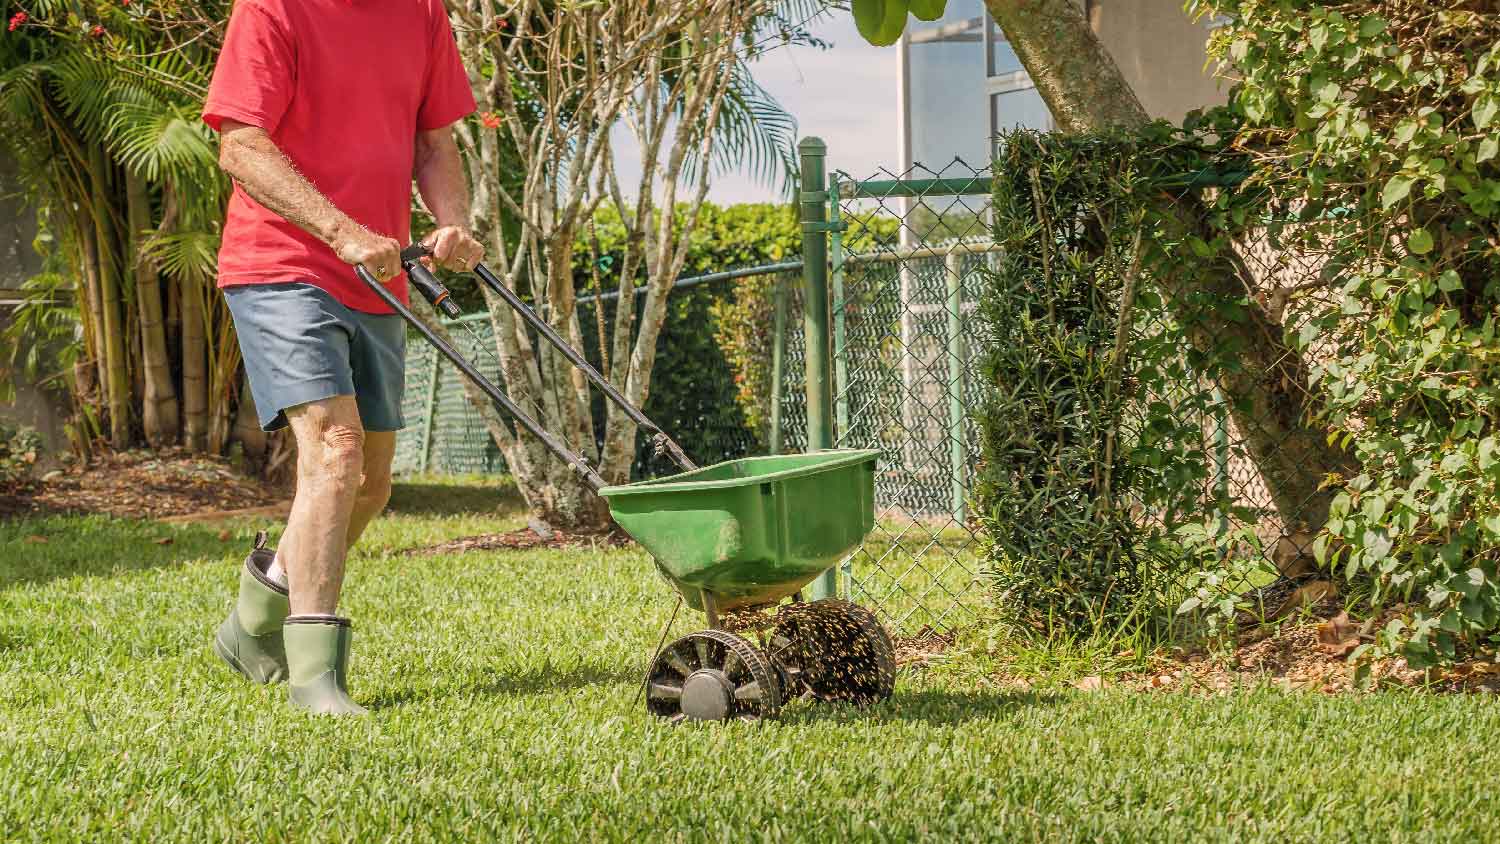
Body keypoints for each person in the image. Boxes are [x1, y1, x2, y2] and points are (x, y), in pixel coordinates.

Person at [202, 0, 482, 715]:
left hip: (375, 274)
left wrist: (452, 221)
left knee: (370, 483)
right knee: (336, 449)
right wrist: (339, 228)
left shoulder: (421, 13)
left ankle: (255, 617)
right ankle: (313, 675)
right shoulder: (275, 7)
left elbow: (434, 144)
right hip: (283, 264)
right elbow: (239, 144)